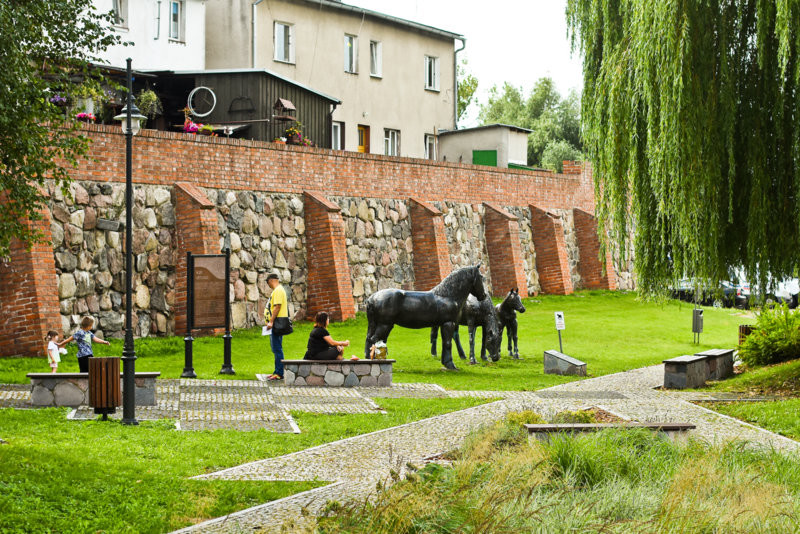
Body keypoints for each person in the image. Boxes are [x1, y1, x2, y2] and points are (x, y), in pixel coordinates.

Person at [264, 273, 289, 381]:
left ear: (271, 280)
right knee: (275, 348)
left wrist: (271, 322)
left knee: (277, 348)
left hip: (276, 323)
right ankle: (276, 371)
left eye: (267, 282)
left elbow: (277, 307)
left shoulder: (278, 290)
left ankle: (279, 372)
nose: (268, 285)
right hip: (275, 323)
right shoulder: (277, 290)